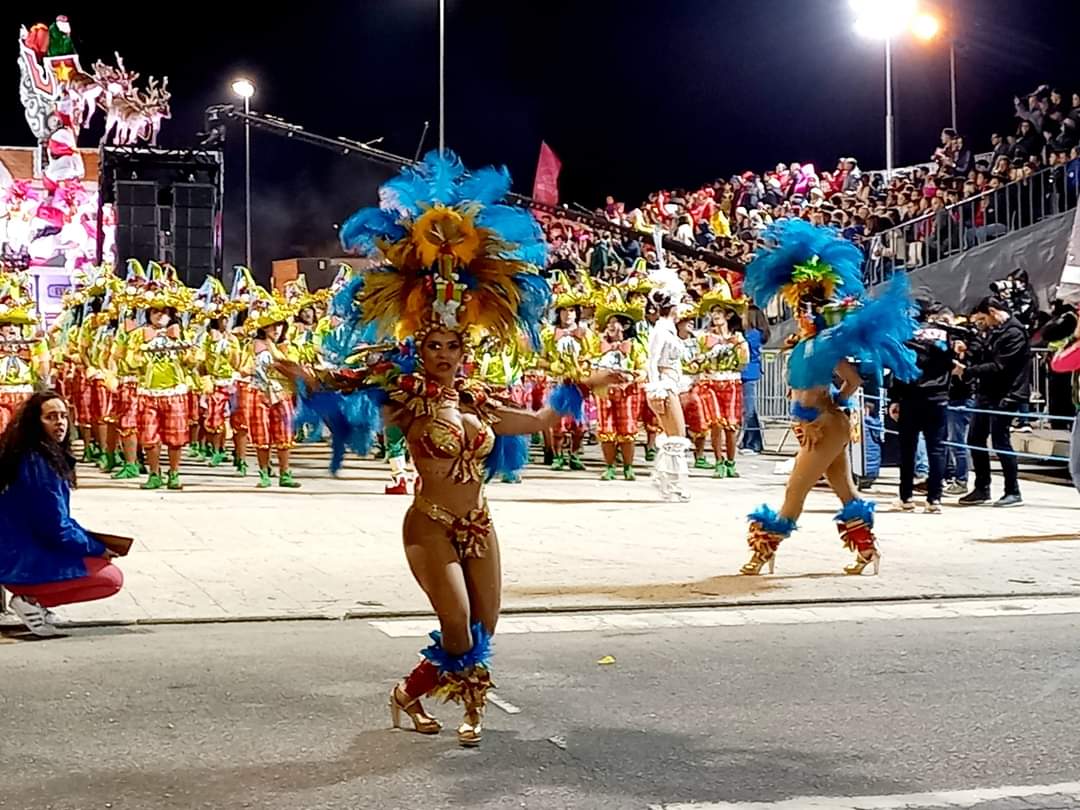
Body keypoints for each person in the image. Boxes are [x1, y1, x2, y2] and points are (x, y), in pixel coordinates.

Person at [279, 152, 626, 747]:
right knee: (459, 629)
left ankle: (408, 692)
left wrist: (582, 386)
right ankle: (471, 707)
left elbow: (541, 420)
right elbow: (348, 388)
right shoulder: (405, 398)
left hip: (478, 521)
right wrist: (304, 377)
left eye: (454, 346)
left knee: (484, 625)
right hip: (431, 523)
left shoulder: (481, 400)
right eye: (435, 344)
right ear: (421, 345)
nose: (445, 354)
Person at [738, 219, 918, 576]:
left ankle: (763, 551)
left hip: (824, 425)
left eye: (806, 307)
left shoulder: (825, 342)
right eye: (798, 306)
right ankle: (867, 552)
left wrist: (834, 403)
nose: (800, 313)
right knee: (845, 491)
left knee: (794, 491)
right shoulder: (804, 344)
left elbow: (852, 380)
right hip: (813, 425)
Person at [0, 391, 125, 637]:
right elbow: (56, 527)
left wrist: (94, 542)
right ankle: (30, 599)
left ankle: (35, 600)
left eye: (63, 417)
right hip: (20, 560)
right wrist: (97, 548)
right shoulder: (39, 462)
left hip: (19, 550)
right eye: (51, 417)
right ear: (35, 422)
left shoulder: (31, 454)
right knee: (111, 578)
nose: (60, 423)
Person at [954, 296, 1031, 507]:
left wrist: (967, 371)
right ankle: (982, 488)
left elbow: (999, 366)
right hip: (986, 393)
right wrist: (967, 351)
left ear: (993, 312)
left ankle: (1013, 490)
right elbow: (982, 354)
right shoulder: (994, 331)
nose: (983, 325)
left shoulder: (1014, 332)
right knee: (975, 439)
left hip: (1007, 394)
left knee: (1001, 442)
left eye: (983, 320)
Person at [888, 301, 954, 513]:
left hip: (910, 397)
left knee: (908, 449)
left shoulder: (904, 336)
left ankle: (906, 496)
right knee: (937, 448)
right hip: (938, 397)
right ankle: (934, 499)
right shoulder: (945, 334)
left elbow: (900, 368)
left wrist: (894, 398)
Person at [738, 306, 770, 455]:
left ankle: (753, 443)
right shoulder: (752, 334)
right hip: (747, 373)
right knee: (748, 410)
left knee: (749, 410)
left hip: (748, 373)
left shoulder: (752, 335)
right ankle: (749, 441)